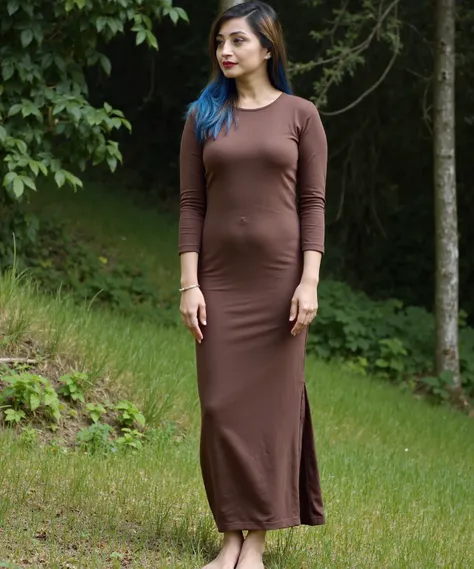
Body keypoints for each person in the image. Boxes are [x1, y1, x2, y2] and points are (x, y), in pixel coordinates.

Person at [178, 2, 327, 568]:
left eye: (237, 41)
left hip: (278, 285)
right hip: (218, 282)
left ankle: (253, 543)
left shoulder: (301, 115)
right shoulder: (203, 117)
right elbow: (192, 205)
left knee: (270, 412)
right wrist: (189, 285)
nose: (225, 51)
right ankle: (229, 534)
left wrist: (308, 281)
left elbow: (312, 205)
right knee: (219, 407)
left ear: (268, 47)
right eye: (220, 41)